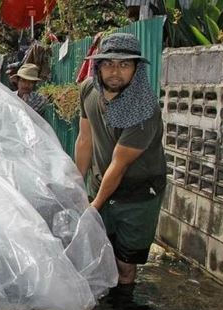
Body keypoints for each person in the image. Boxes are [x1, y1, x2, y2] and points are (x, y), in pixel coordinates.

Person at [75, 33, 166, 288]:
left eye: (124, 64)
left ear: (136, 69)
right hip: (100, 182)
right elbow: (84, 140)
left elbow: (120, 163)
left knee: (125, 265)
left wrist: (94, 206)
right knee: (99, 251)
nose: (115, 71)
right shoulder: (88, 90)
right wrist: (74, 185)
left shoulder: (143, 108)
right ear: (98, 66)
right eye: (109, 64)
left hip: (137, 193)